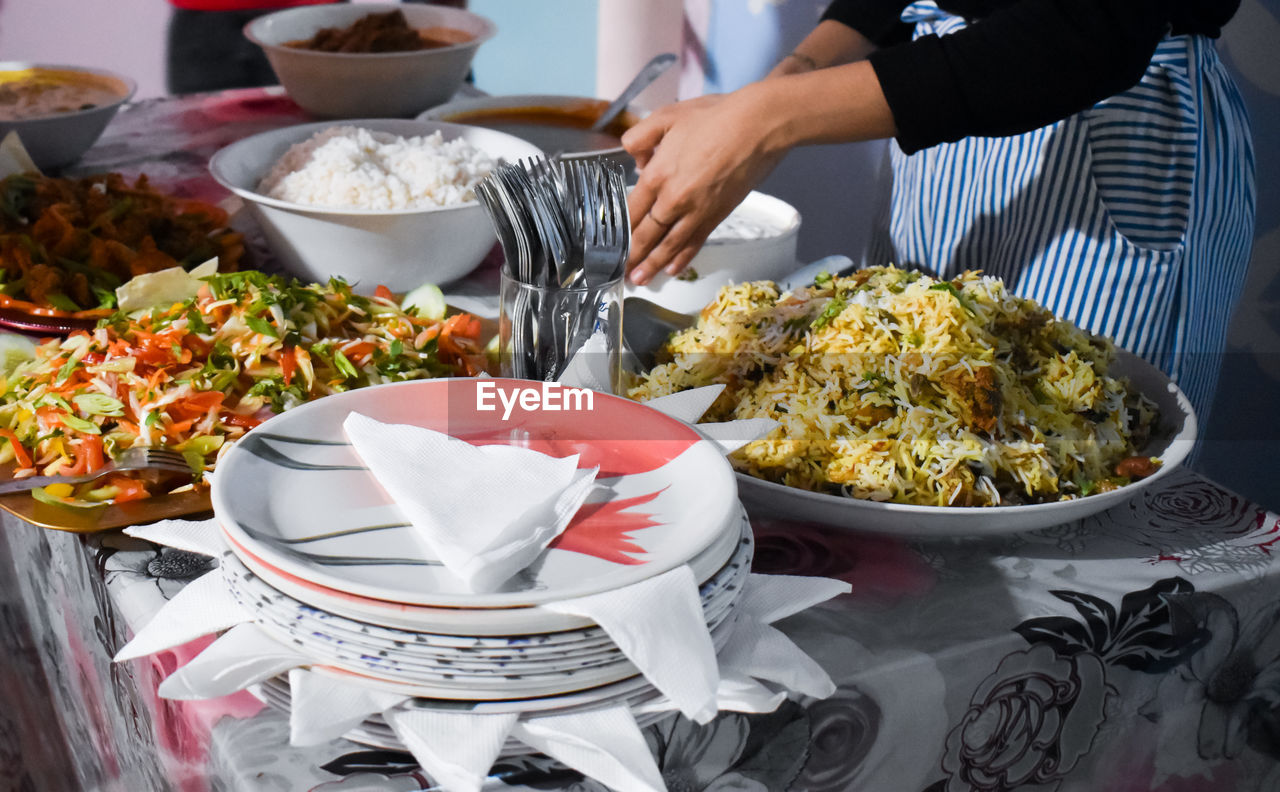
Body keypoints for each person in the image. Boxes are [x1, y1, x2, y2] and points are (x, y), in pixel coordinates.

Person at [623, 0, 1254, 424]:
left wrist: (767, 120)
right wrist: (778, 90)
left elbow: (1094, 25)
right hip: (938, 116)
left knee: (1082, 452)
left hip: (1107, 113)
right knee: (904, 432)